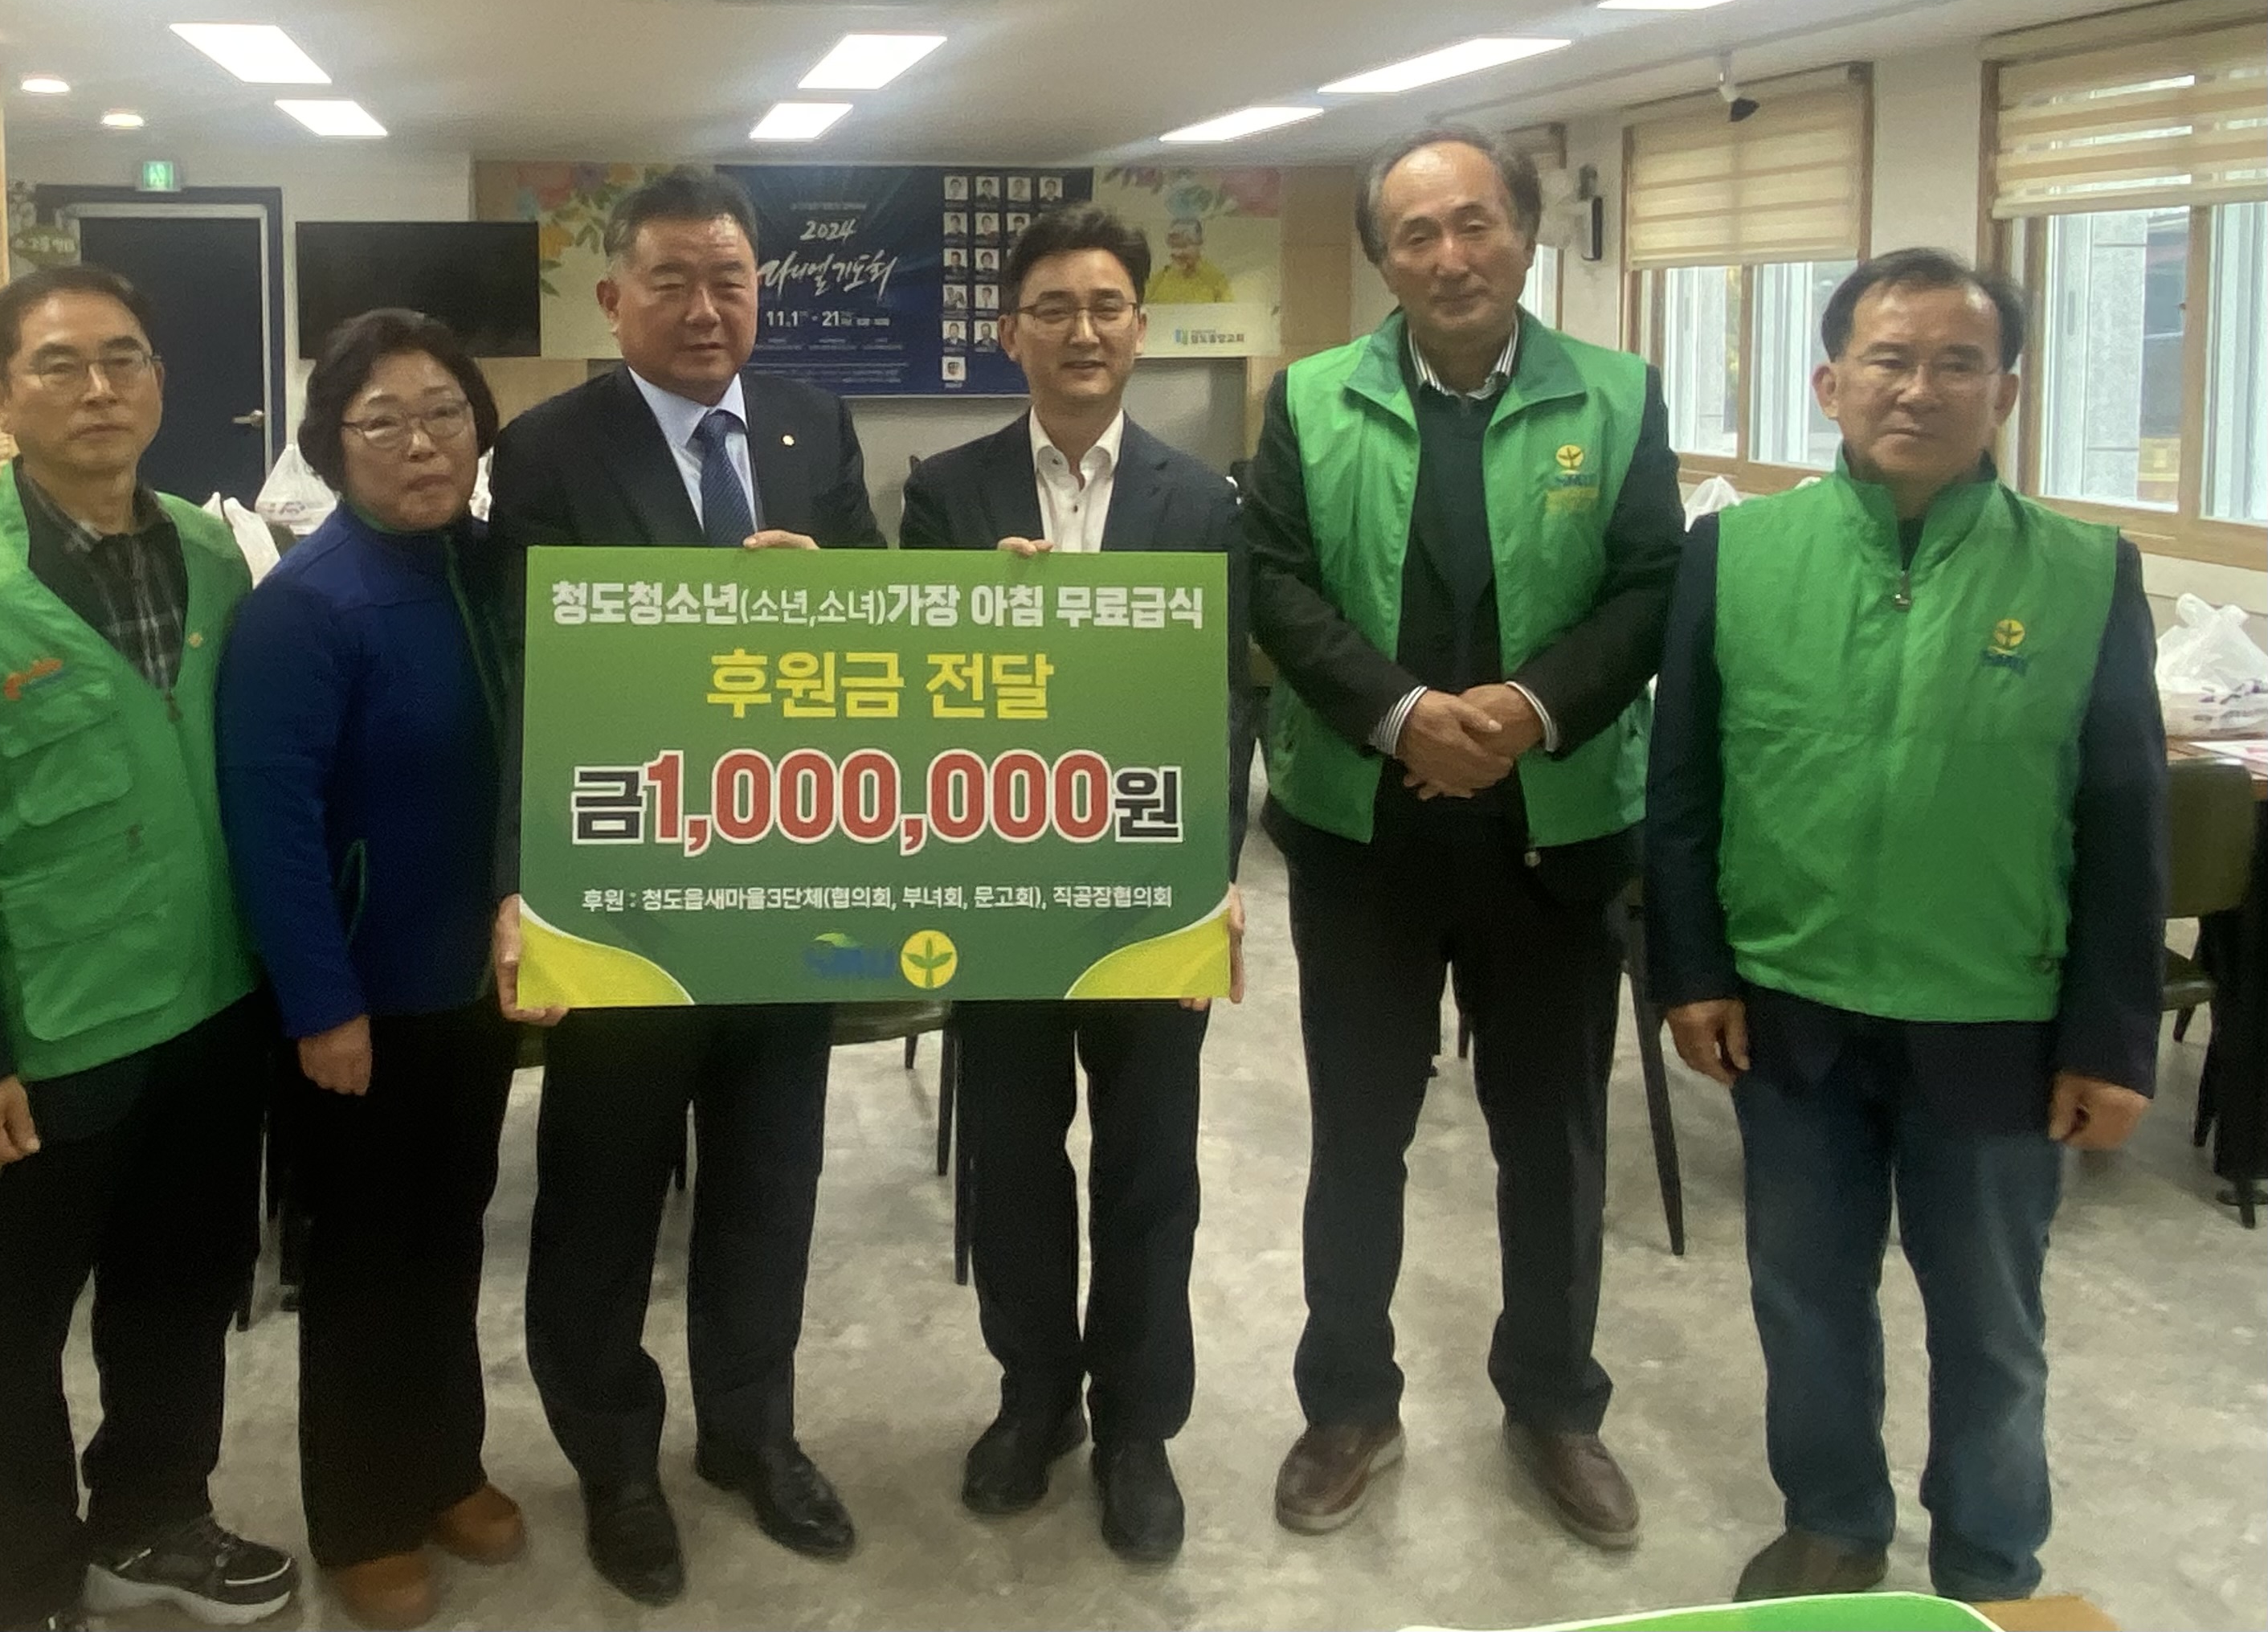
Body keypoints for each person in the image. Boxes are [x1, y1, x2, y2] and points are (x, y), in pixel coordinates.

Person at [1645, 250, 2165, 1607]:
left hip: (1993, 1013)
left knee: (1989, 1319)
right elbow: (1683, 779)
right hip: (1789, 1001)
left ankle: (1990, 1564)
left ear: (2004, 391)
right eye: (1886, 358)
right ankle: (1830, 1523)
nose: (1916, 388)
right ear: (1828, 382)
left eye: (1954, 362)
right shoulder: (1737, 553)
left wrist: (2110, 1037)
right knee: (1803, 1294)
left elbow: (2122, 815)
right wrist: (1689, 967)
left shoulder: (2081, 570)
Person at [1242, 122, 1681, 1549]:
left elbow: (1647, 586)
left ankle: (1553, 1402)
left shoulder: (1615, 395)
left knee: (1550, 1140)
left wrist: (1524, 709)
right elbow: (1276, 583)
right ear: (1383, 256)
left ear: (1526, 235)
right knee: (1355, 1134)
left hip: (1553, 830)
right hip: (1361, 830)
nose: (1449, 255)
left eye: (1474, 222)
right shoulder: (1311, 396)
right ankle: (1346, 1402)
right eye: (1416, 232)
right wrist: (1401, 716)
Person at [0, 264, 294, 1632]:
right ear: (1, 399)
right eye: (58, 365)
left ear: (159, 382)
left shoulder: (216, 554)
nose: (98, 387)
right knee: (13, 1325)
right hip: (47, 1034)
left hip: (212, 1004)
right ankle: (23, 1576)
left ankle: (154, 1517)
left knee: (181, 1291)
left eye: (124, 358)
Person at [486, 167, 884, 1605]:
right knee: (600, 1192)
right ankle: (612, 1458)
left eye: (729, 278)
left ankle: (750, 1433)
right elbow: (529, 674)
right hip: (627, 889)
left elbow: (879, 629)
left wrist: (826, 591)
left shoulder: (811, 423)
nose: (704, 306)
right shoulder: (547, 448)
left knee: (771, 1182)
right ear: (613, 297)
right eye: (671, 280)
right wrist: (520, 886)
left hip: (785, 884)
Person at [898, 203, 1252, 1565]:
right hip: (997, 887)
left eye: (1105, 306)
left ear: (1139, 330)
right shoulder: (946, 494)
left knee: (1150, 1163)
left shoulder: (1199, 501)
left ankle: (1136, 1427)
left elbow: (1223, 705)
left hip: (1148, 889)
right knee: (1010, 1153)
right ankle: (1033, 1391)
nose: (1081, 330)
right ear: (1010, 333)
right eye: (1051, 307)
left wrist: (1210, 874)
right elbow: (909, 690)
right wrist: (982, 623)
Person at [217, 310, 523, 1630]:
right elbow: (269, 821)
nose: (421, 442)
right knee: (358, 1265)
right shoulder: (307, 602)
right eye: (382, 420)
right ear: (330, 444)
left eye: (445, 412)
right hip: (360, 996)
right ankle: (360, 1513)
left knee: (446, 1238)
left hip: (472, 985)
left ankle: (444, 1463)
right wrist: (320, 1000)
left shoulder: (493, 567)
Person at [1142, 216, 1232, 305]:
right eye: (1174, 246)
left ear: (1199, 244)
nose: (1177, 253)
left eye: (1183, 246)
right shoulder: (1159, 279)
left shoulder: (1215, 280)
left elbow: (1226, 310)